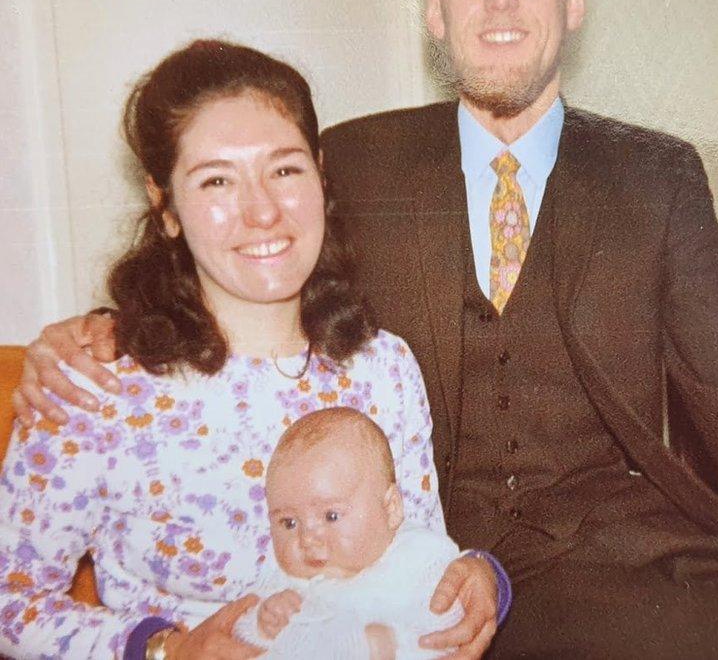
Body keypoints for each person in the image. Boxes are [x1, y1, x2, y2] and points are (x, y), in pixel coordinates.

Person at [14, 0, 718, 657]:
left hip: (616, 554)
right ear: (434, 5)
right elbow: (231, 238)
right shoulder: (349, 160)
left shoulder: (656, 177)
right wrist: (93, 330)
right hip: (413, 562)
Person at [0, 40, 499, 659]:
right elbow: (10, 604)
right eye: (216, 180)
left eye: (285, 169)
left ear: (320, 175)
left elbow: (415, 548)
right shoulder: (93, 385)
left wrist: (479, 577)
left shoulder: (383, 369)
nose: (262, 211)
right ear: (167, 208)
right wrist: (164, 651)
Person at [233, 407, 466, 659]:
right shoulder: (284, 580)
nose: (307, 539)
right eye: (289, 523)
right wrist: (262, 623)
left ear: (391, 508)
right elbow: (237, 632)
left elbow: (449, 628)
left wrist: (394, 646)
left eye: (331, 516)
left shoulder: (419, 557)